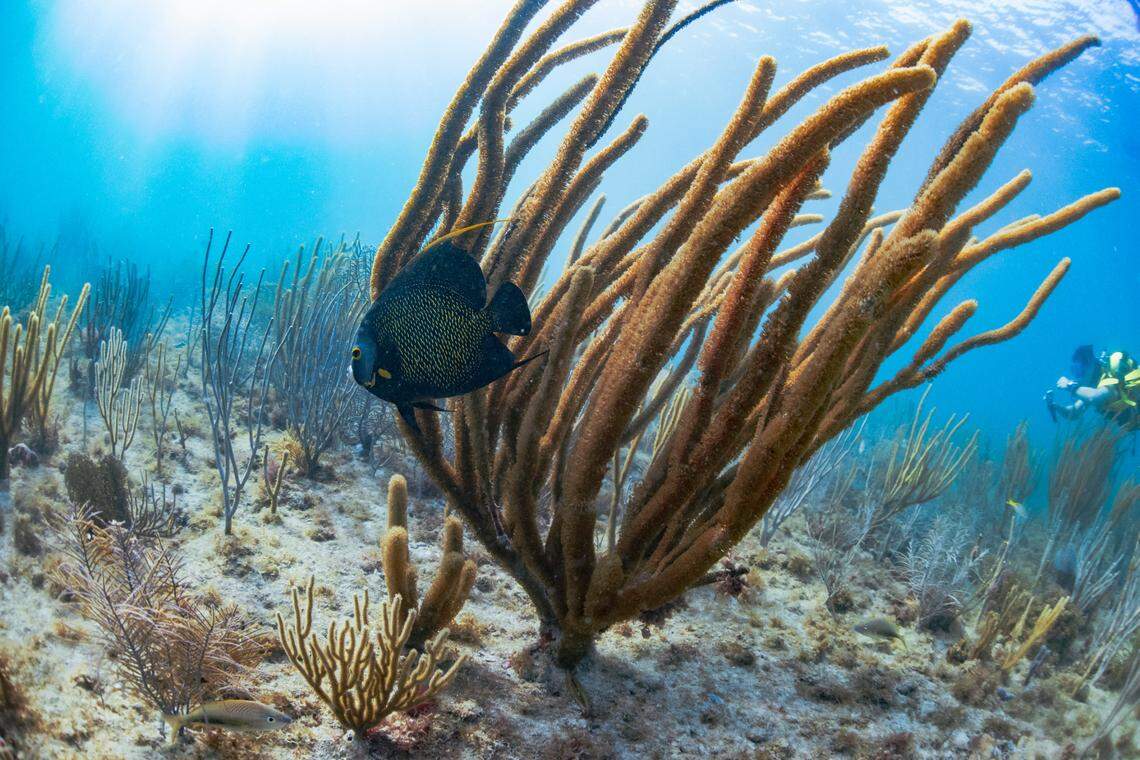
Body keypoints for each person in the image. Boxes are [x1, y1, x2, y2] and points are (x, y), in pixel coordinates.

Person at [1045, 345, 1139, 430]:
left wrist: (1069, 385)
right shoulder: (1092, 386)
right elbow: (1074, 413)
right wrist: (1055, 406)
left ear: (1091, 363)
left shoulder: (1109, 375)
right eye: (1075, 371)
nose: (1078, 377)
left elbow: (1094, 396)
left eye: (1079, 370)